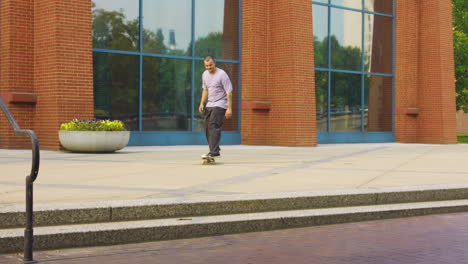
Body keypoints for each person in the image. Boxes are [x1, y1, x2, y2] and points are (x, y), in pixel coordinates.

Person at [198, 56, 233, 158]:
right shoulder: (204, 74)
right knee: (207, 127)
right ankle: (215, 149)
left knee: (213, 125)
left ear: (215, 63)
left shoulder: (222, 75)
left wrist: (229, 108)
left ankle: (213, 152)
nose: (208, 67)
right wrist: (201, 103)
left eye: (210, 65)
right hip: (210, 104)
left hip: (220, 103)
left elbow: (229, 92)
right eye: (206, 66)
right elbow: (205, 90)